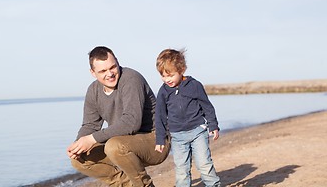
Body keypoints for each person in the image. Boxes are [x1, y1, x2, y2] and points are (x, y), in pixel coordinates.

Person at [66, 46, 171, 187]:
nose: (110, 74)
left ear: (117, 62)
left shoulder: (131, 79)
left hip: (156, 141)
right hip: (124, 142)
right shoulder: (93, 90)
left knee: (113, 146)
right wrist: (78, 145)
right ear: (93, 72)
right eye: (103, 71)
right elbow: (90, 125)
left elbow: (131, 122)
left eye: (113, 67)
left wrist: (91, 139)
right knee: (79, 159)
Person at [154, 48, 221, 187]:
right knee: (181, 170)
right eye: (163, 76)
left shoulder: (194, 85)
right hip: (177, 136)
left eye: (170, 75)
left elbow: (207, 106)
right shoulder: (163, 92)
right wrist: (160, 139)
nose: (167, 80)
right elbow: (160, 116)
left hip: (198, 132)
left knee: (204, 164)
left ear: (182, 69)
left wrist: (213, 125)